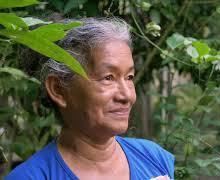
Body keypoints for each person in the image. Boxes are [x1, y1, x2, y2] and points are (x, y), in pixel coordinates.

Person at [5, 18, 174, 180]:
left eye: (129, 77)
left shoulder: (155, 159)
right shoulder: (31, 177)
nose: (127, 96)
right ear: (58, 90)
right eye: (108, 78)